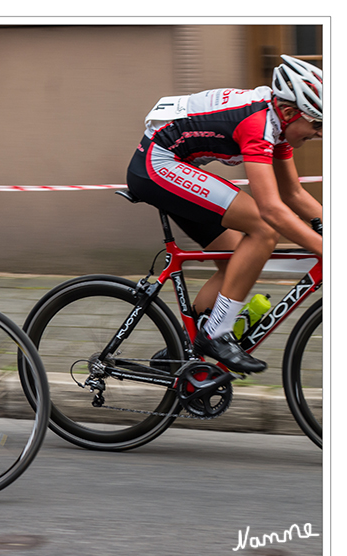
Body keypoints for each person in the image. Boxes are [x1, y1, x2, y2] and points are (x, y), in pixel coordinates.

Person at [126, 54, 323, 373]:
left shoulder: (279, 125)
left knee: (237, 260)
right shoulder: (257, 124)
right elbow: (272, 209)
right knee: (262, 228)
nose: (319, 133)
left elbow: (294, 194)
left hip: (175, 165)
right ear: (289, 111)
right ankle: (216, 333)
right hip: (156, 165)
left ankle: (185, 352)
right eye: (315, 124)